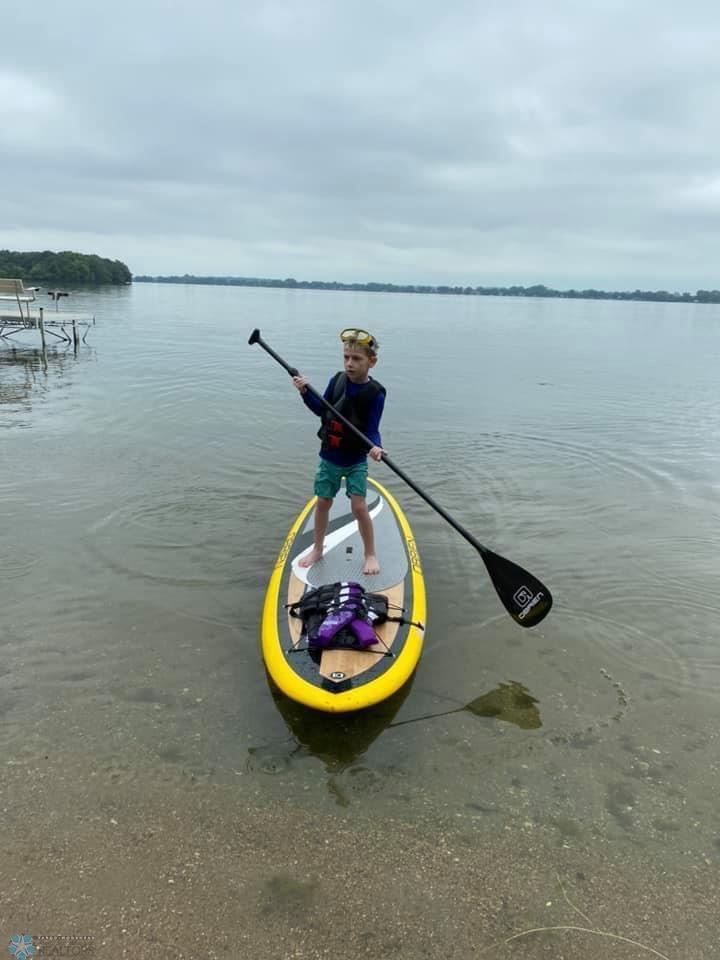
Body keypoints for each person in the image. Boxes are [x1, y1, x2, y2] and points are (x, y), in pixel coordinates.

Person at [292, 328, 386, 575]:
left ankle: (370, 554)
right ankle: (317, 548)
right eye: (346, 357)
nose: (349, 364)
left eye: (357, 359)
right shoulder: (337, 380)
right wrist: (304, 391)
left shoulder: (376, 393)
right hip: (329, 458)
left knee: (359, 507)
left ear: (371, 362)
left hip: (356, 460)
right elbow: (320, 409)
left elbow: (373, 430)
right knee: (323, 502)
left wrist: (376, 447)